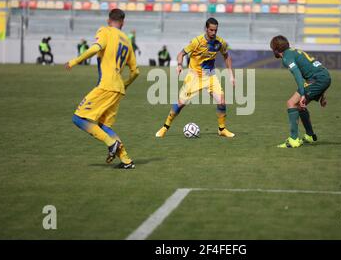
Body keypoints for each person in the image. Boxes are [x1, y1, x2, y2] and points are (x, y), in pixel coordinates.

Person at [64, 9, 140, 169]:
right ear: (123, 22)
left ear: (108, 20)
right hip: (118, 88)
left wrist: (74, 61)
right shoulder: (127, 40)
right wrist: (125, 84)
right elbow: (135, 71)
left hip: (106, 85)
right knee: (105, 126)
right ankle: (126, 160)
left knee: (78, 118)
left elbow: (95, 48)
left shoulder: (105, 31)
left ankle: (110, 142)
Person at [155, 17, 236, 138]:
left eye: (215, 30)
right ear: (206, 29)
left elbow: (226, 56)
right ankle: (165, 127)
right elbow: (181, 54)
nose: (213, 33)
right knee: (181, 104)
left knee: (222, 101)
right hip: (194, 76)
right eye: (211, 30)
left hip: (210, 75)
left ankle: (222, 129)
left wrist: (231, 75)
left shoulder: (220, 43)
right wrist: (179, 65)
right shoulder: (196, 42)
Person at [270, 35, 331, 148]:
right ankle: (310, 136)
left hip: (318, 79)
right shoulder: (294, 52)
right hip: (323, 76)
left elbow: (298, 75)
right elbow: (315, 69)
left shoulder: (286, 58)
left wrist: (303, 94)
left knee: (291, 103)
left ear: (276, 49)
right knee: (299, 105)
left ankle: (293, 140)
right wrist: (322, 94)